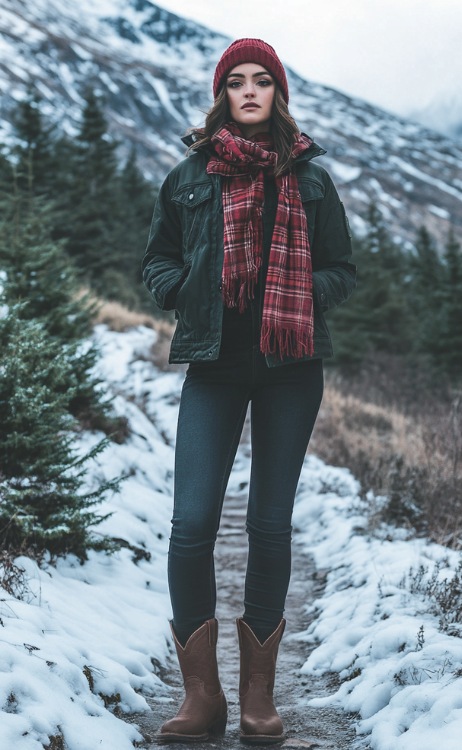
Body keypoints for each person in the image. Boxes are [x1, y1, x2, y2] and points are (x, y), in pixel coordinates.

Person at [142, 38, 356, 745]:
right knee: (191, 522)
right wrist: (188, 289)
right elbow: (157, 262)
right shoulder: (190, 175)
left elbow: (342, 270)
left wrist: (295, 297)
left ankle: (258, 699)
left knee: (268, 523)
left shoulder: (312, 178)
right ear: (223, 95)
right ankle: (201, 698)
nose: (251, 91)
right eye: (238, 82)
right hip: (215, 366)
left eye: (263, 80)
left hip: (292, 369)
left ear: (279, 93)